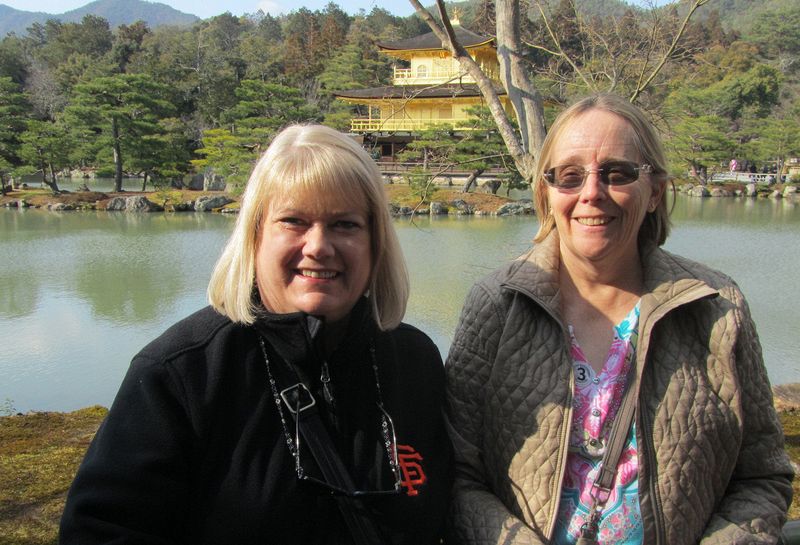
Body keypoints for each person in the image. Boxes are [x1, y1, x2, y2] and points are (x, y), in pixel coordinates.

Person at [60, 124, 452, 544]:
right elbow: (101, 531)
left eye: (345, 224)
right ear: (255, 236)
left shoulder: (413, 360)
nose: (318, 246)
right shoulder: (183, 372)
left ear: (376, 242)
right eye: (294, 221)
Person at [445, 94, 793, 544]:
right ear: (546, 193)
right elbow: (456, 473)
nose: (592, 192)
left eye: (617, 173)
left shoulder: (715, 306)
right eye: (569, 176)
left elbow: (762, 477)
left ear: (655, 192)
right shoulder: (495, 305)